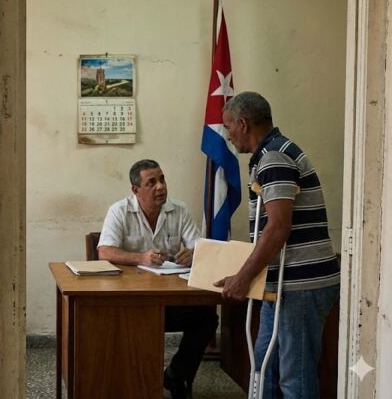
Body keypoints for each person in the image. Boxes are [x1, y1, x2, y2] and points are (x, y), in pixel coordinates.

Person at [214, 92, 340, 399]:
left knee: (293, 376)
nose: (228, 135)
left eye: (229, 126)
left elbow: (278, 227)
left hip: (299, 285)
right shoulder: (270, 154)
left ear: (243, 124)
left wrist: (243, 277)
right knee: (264, 367)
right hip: (282, 284)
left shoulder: (274, 157)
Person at [97, 159, 218, 399]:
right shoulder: (119, 210)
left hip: (168, 300)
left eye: (162, 179)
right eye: (151, 183)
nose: (160, 187)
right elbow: (105, 251)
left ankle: (176, 374)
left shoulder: (179, 209)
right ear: (135, 190)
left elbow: (200, 248)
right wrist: (140, 256)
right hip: (130, 303)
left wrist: (193, 254)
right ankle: (131, 381)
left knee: (206, 318)